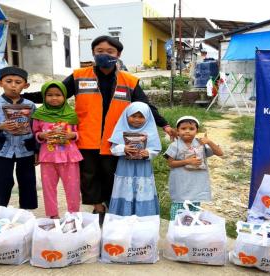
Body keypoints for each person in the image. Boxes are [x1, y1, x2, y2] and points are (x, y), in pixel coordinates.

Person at [23, 35, 176, 222]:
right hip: (85, 137)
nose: (104, 55)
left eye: (110, 51)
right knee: (89, 176)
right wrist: (21, 96)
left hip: (115, 139)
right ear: (93, 53)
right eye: (99, 51)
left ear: (118, 54)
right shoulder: (80, 76)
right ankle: (98, 208)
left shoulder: (129, 81)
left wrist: (165, 124)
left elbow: (146, 105)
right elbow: (54, 93)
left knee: (112, 176)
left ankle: (114, 207)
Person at [0, 67, 37, 209]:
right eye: (8, 81)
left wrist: (37, 150)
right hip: (1, 149)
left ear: (25, 85)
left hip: (25, 149)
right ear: (0, 83)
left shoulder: (31, 105)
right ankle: (0, 207)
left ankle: (27, 210)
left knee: (27, 180)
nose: (13, 85)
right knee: (1, 180)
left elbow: (36, 127)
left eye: (18, 82)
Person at [31, 80, 83, 218]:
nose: (54, 98)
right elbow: (34, 133)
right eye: (49, 95)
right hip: (48, 157)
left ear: (65, 96)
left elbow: (80, 133)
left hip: (69, 157)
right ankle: (53, 216)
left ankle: (74, 216)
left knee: (72, 188)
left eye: (58, 95)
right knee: (48, 189)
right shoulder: (39, 114)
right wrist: (41, 135)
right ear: (44, 96)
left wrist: (73, 135)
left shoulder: (71, 114)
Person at [164, 116, 223, 220]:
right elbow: (170, 163)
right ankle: (176, 231)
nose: (187, 131)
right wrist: (187, 161)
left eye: (191, 129)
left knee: (194, 212)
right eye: (183, 128)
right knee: (179, 211)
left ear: (197, 131)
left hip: (196, 185)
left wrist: (209, 142)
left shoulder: (201, 144)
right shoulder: (175, 145)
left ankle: (190, 231)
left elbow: (220, 153)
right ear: (177, 131)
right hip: (181, 185)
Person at [107, 102, 161, 216]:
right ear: (126, 116)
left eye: (141, 116)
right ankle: (123, 216)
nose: (137, 119)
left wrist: (148, 153)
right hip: (125, 167)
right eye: (133, 116)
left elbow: (156, 150)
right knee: (125, 189)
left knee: (142, 188)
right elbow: (113, 149)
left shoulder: (150, 130)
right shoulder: (121, 129)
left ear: (147, 117)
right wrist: (123, 148)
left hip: (143, 168)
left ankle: (142, 217)